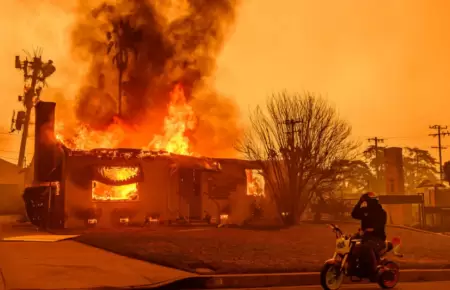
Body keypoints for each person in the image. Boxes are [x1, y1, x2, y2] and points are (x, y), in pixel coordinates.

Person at [351, 192, 387, 280]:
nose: (366, 202)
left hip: (378, 239)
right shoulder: (365, 210)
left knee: (367, 247)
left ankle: (373, 271)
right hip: (365, 237)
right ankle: (352, 267)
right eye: (365, 200)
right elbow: (354, 214)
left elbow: (380, 224)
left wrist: (372, 229)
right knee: (350, 242)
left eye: (368, 200)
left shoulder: (381, 212)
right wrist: (359, 202)